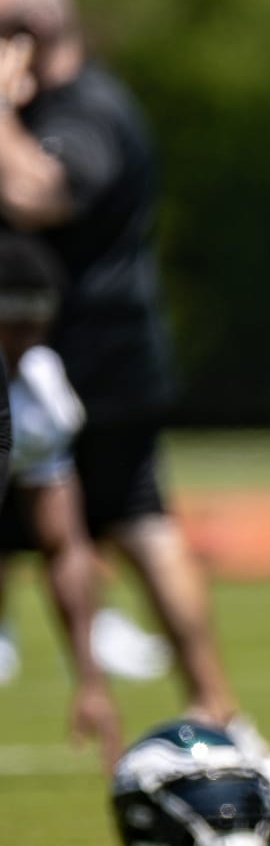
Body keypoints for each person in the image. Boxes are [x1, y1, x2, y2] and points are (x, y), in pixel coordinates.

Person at [0, 0, 253, 732]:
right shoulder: (55, 103)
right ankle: (208, 702)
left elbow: (35, 195)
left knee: (138, 526)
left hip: (94, 364)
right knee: (126, 526)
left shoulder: (84, 112)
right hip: (69, 363)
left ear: (27, 35)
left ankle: (214, 701)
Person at [0, 231, 117, 763]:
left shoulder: (43, 390)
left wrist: (89, 679)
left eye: (35, 321)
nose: (24, 337)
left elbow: (62, 544)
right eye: (12, 320)